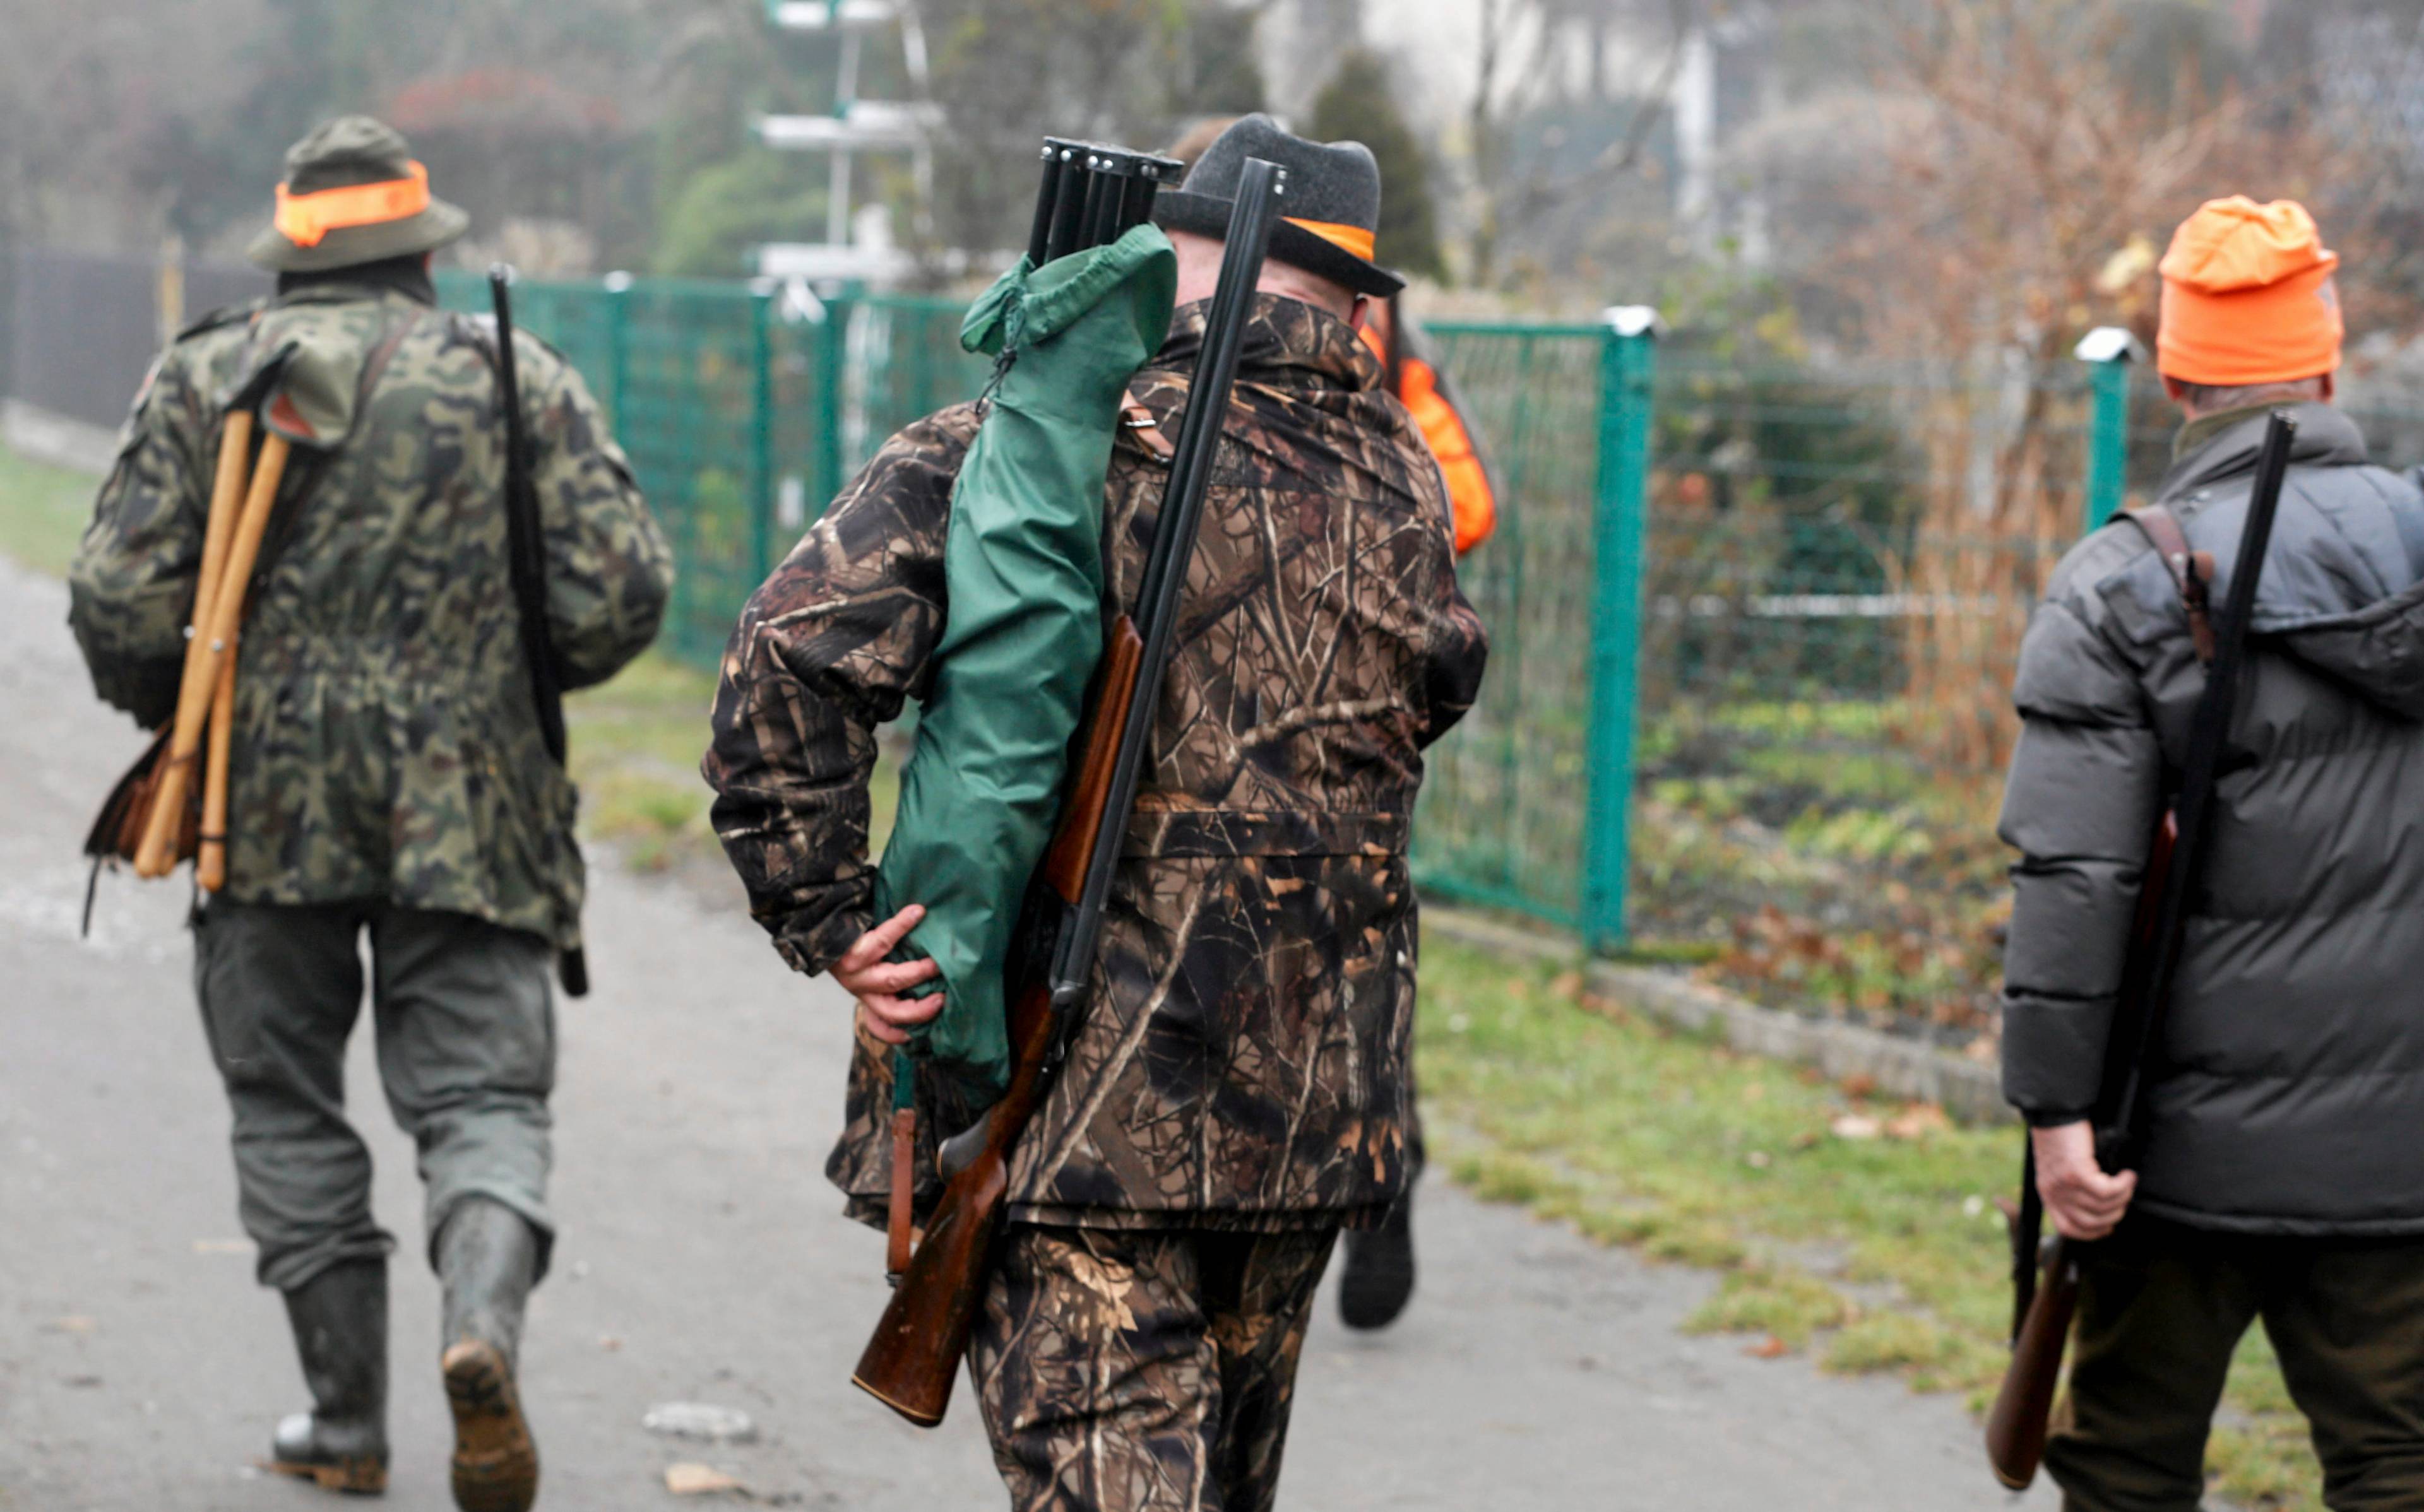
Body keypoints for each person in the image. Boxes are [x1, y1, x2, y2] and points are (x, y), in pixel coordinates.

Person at [705, 114, 1487, 1511]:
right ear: (1358, 305)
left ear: (1173, 258)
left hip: (1073, 1102)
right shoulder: (1409, 491)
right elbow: (1439, 686)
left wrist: (824, 914)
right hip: (1312, 1119)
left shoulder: (1025, 450)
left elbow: (787, 653)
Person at [68, 116, 671, 1509]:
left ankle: (345, 1424)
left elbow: (113, 600)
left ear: (290, 250)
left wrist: (181, 695)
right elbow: (623, 590)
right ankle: (480, 1331)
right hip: (478, 805)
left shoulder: (212, 372)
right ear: (424, 250)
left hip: (251, 807)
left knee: (285, 1103)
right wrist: (513, 672)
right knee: (481, 1103)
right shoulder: (519, 377)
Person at [1999, 195, 2424, 1511]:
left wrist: (2057, 1121)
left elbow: (2079, 879)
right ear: (2330, 355)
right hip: (2403, 1152)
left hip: (2166, 1156)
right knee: (2399, 1461)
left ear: (2178, 372)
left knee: (2127, 1462)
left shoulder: (2124, 584)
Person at [1164, 117, 1497, 1337]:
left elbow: (1467, 502)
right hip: (1360, 688)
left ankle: (1355, 1153)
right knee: (1331, 932)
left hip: (1316, 672)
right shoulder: (1387, 346)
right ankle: (1367, 1142)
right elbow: (1464, 505)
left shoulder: (1155, 384)